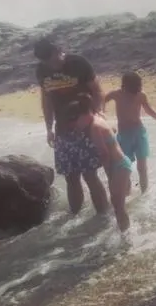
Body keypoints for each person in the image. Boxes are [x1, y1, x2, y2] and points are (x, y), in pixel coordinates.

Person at [34, 37, 109, 215]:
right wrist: (48, 128)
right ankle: (74, 220)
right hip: (62, 130)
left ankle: (104, 218)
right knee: (70, 177)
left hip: (86, 127)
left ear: (57, 51)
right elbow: (47, 100)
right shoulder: (42, 70)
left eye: (52, 59)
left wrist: (97, 116)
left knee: (90, 175)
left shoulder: (78, 63)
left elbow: (98, 91)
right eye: (45, 62)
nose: (51, 65)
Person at [66, 95, 132, 232]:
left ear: (81, 116)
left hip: (118, 167)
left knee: (118, 206)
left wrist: (110, 174)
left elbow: (104, 154)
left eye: (76, 122)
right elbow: (113, 130)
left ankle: (127, 240)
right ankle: (125, 232)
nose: (76, 127)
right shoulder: (98, 118)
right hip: (121, 164)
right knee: (118, 203)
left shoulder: (94, 128)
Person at [104, 72, 156, 193]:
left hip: (139, 133)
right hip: (124, 135)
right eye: (134, 88)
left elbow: (149, 111)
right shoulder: (116, 94)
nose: (136, 91)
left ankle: (144, 194)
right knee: (124, 167)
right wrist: (103, 120)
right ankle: (126, 194)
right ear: (125, 86)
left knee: (142, 167)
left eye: (138, 87)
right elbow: (102, 100)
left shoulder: (141, 95)